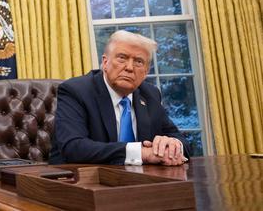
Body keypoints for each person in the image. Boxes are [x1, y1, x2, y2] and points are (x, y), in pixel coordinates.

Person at [49, 30, 191, 166]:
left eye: (138, 62)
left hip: (138, 181)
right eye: (122, 58)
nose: (129, 67)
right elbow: (73, 147)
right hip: (79, 181)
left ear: (146, 72)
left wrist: (172, 145)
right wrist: (141, 153)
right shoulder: (76, 91)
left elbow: (182, 141)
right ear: (105, 63)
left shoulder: (150, 94)